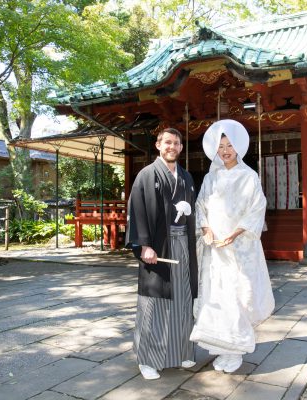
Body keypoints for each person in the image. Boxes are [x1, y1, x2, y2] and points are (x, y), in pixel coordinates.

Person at [190, 119, 275, 373]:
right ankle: (222, 349)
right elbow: (200, 205)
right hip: (214, 248)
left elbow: (256, 209)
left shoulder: (249, 177)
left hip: (239, 250)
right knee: (215, 297)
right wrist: (206, 228)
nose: (225, 150)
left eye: (229, 145)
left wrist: (235, 234)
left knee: (236, 298)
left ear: (238, 147)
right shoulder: (210, 177)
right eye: (220, 146)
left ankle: (236, 351)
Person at [126, 127, 198, 380]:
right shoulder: (147, 175)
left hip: (183, 244)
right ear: (158, 145)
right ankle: (147, 359)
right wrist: (144, 244)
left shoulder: (186, 177)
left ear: (181, 148)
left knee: (182, 298)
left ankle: (181, 351)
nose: (172, 147)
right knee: (154, 301)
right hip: (157, 246)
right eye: (167, 142)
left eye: (177, 143)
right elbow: (137, 210)